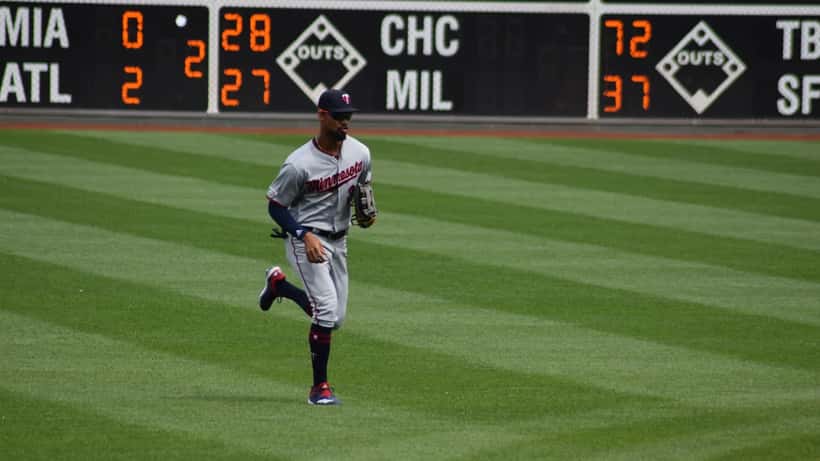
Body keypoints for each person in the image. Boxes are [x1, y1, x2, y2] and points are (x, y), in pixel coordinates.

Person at [258, 88, 374, 406]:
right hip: (305, 239)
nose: (345, 122)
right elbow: (276, 206)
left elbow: (363, 188)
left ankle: (279, 286)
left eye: (348, 116)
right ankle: (319, 388)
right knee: (324, 311)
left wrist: (365, 211)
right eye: (338, 116)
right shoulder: (299, 164)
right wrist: (301, 233)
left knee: (335, 318)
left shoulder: (360, 153)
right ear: (322, 116)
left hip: (340, 240)